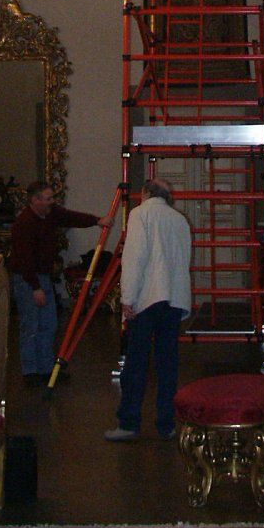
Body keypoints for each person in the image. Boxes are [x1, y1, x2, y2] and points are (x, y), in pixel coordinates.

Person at [105, 177, 193, 442]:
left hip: (147, 299)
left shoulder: (139, 215)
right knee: (168, 364)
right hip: (174, 300)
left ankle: (129, 422)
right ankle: (166, 424)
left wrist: (127, 298)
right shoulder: (180, 220)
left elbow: (134, 258)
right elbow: (183, 260)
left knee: (136, 363)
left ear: (145, 193)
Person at [8, 180, 101, 385]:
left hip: (42, 276)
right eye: (48, 198)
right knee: (31, 326)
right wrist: (35, 287)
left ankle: (46, 369)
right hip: (28, 279)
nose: (52, 202)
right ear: (35, 200)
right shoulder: (24, 223)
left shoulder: (50, 214)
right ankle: (31, 372)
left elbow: (71, 217)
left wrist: (97, 221)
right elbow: (24, 259)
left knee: (49, 324)